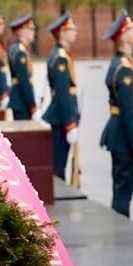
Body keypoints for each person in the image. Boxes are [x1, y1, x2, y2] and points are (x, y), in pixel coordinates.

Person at [99, 12, 133, 218]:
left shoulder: (123, 64)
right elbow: (129, 113)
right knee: (123, 193)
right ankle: (121, 232)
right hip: (124, 137)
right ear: (123, 36)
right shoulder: (124, 69)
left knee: (122, 189)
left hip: (121, 134)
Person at [41, 12, 80, 182]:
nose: (75, 32)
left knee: (59, 163)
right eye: (71, 29)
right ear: (62, 32)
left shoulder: (59, 54)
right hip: (61, 118)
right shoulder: (61, 58)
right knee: (58, 166)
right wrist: (70, 123)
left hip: (60, 116)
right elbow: (63, 94)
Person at [6, 15, 37, 121]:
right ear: (22, 31)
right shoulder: (20, 52)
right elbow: (24, 81)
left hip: (20, 101)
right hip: (22, 101)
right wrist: (33, 106)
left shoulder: (17, 48)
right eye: (31, 29)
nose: (33, 32)